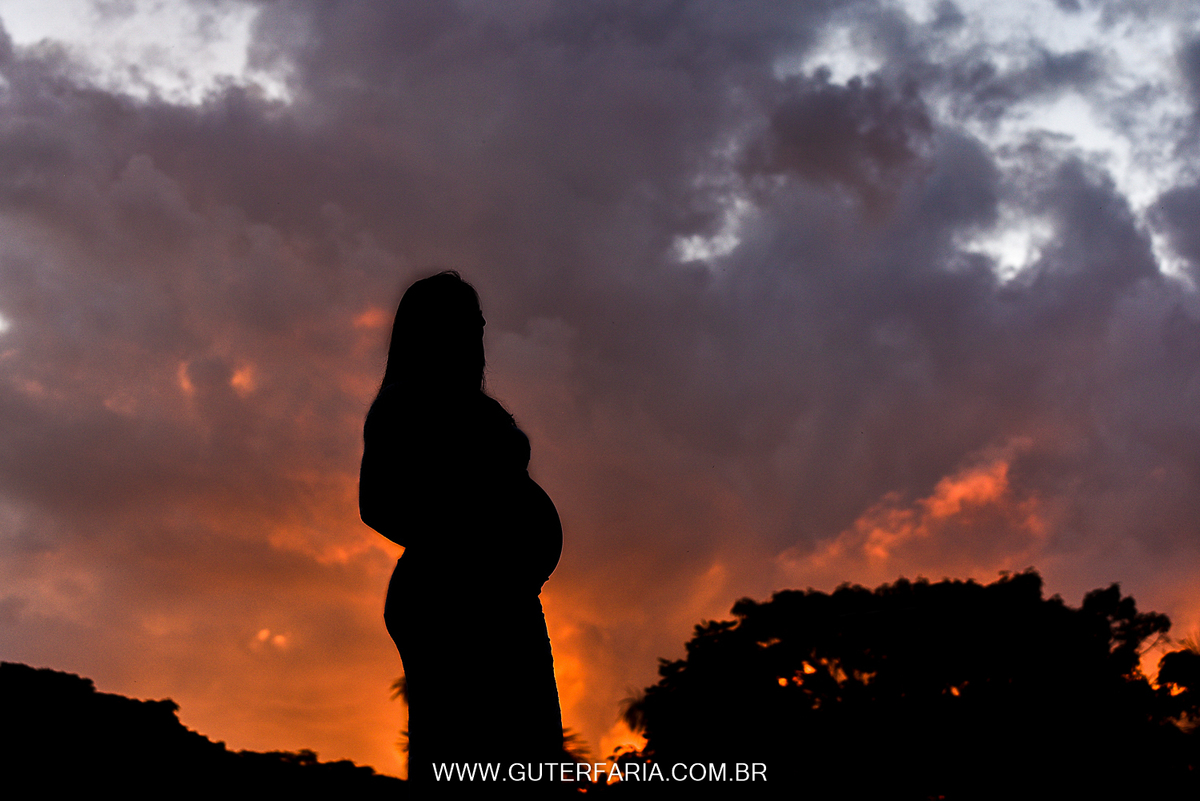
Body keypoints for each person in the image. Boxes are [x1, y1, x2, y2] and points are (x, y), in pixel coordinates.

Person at [359, 271, 565, 788]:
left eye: (478, 324)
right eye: (462, 323)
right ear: (431, 329)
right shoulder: (405, 402)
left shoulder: (463, 402)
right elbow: (378, 503)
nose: (476, 336)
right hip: (456, 602)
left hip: (502, 598)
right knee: (474, 756)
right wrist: (467, 548)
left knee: (530, 755)